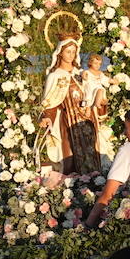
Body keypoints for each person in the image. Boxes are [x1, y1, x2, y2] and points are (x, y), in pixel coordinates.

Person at [39, 38, 107, 175]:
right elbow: (51, 102)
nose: (71, 55)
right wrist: (47, 117)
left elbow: (94, 91)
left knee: (93, 153)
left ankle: (95, 182)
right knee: (72, 157)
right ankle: (75, 187)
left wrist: (101, 101)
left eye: (73, 52)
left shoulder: (82, 73)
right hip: (69, 122)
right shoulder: (55, 76)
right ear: (60, 53)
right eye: (68, 51)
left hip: (88, 119)